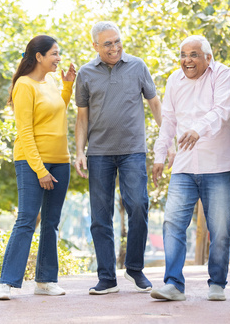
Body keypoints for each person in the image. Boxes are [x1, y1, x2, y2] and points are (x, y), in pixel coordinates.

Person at [74, 21, 163, 295]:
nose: (114, 48)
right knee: (101, 216)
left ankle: (135, 269)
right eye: (108, 43)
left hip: (133, 151)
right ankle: (106, 278)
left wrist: (167, 137)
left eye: (117, 41)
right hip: (99, 153)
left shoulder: (138, 66)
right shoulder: (86, 73)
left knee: (138, 205)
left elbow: (155, 103)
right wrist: (79, 151)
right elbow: (82, 116)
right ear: (95, 46)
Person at [150, 35, 230, 302]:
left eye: (194, 55)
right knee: (172, 222)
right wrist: (159, 154)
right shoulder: (174, 81)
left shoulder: (223, 75)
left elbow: (222, 111)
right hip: (184, 165)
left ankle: (218, 283)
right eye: (183, 54)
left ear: (208, 58)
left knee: (220, 227)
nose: (187, 60)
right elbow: (168, 121)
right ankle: (174, 284)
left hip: (219, 165)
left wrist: (197, 130)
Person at [0, 35, 76, 300]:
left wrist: (67, 87)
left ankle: (46, 279)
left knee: (51, 222)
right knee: (27, 219)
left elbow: (57, 110)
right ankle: (6, 282)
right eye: (54, 54)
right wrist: (40, 169)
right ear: (39, 56)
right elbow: (25, 132)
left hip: (61, 160)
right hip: (31, 162)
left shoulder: (52, 81)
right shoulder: (24, 85)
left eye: (58, 53)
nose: (58, 58)